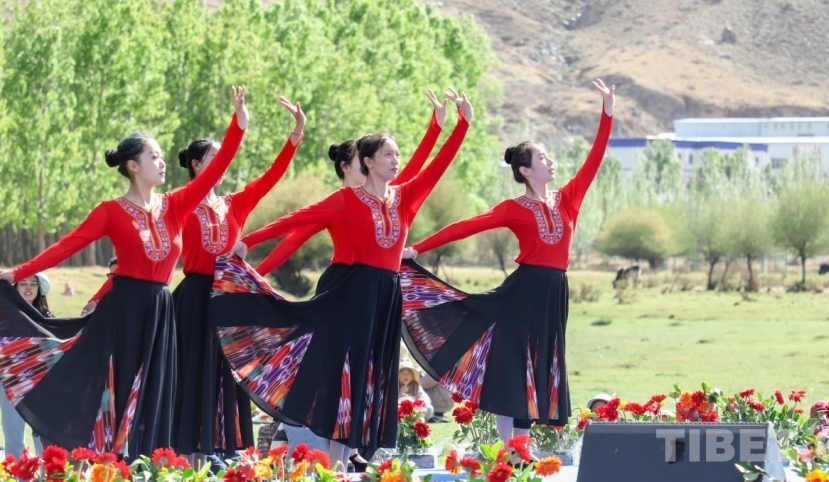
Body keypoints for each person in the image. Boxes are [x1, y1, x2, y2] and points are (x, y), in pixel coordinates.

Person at [208, 88, 473, 471]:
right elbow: (295, 221)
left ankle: (346, 461)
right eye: (388, 155)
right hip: (353, 295)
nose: (396, 161)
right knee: (349, 375)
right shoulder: (346, 200)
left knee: (372, 376)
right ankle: (334, 464)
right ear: (367, 162)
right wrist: (248, 241)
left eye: (397, 154)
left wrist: (461, 125)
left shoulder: (404, 196)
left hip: (387, 298)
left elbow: (436, 165)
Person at [0, 86, 248, 458]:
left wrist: (238, 125)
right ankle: (112, 463)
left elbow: (215, 170)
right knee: (120, 390)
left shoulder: (176, 205)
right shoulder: (110, 211)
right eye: (154, 156)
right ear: (133, 166)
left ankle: (152, 465)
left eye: (162, 156)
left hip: (161, 309)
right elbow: (67, 245)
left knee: (157, 390)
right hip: (124, 310)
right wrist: (19, 271)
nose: (162, 163)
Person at [399, 77, 615, 444]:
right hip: (522, 291)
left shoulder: (568, 199)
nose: (550, 161)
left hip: (553, 293)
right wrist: (417, 249)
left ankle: (519, 447)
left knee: (540, 363)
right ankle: (511, 450)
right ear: (526, 170)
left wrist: (607, 113)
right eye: (542, 158)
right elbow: (466, 226)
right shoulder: (514, 208)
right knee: (513, 367)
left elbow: (595, 159)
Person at [172, 96, 306, 465]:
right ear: (197, 165)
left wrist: (296, 135)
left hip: (229, 299)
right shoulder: (180, 203)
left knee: (226, 375)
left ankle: (219, 454)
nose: (224, 165)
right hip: (195, 297)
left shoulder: (234, 204)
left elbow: (271, 177)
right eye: (216, 158)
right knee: (193, 374)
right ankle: (189, 458)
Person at [247, 90, 447, 277]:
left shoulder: (387, 195)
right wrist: (254, 277)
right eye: (364, 160)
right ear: (346, 167)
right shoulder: (336, 205)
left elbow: (415, 166)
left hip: (380, 283)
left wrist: (436, 128)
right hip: (346, 284)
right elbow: (292, 239)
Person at [1, 273, 53, 458]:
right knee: (13, 433)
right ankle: (16, 471)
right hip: (10, 380)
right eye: (23, 283)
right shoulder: (4, 315)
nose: (29, 287)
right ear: (14, 288)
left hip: (42, 382)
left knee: (43, 433)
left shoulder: (47, 318)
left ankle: (48, 471)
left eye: (33, 283)